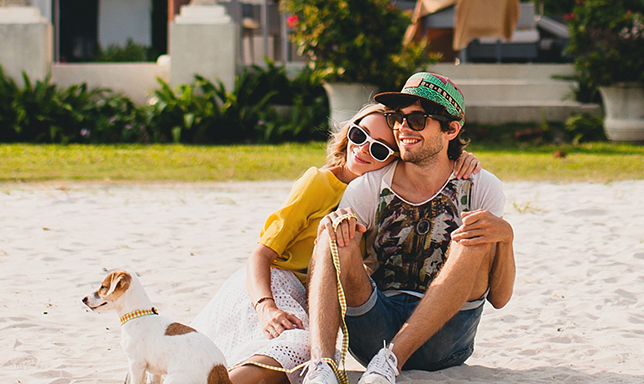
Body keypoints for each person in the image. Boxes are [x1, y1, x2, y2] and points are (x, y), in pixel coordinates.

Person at [192, 103, 481, 384]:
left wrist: (461, 159)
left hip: (307, 300)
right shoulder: (319, 183)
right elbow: (261, 253)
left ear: (394, 159)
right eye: (359, 135)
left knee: (287, 367)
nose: (363, 148)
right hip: (273, 285)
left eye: (379, 148)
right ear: (348, 134)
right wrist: (265, 305)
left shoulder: (379, 199)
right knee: (299, 346)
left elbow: (428, 155)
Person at [303, 73, 516, 384]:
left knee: (475, 235)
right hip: (375, 329)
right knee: (333, 232)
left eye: (417, 119)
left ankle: (394, 360)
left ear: (451, 129)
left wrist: (505, 237)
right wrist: (333, 231)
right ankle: (321, 366)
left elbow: (500, 298)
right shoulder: (369, 187)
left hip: (446, 337)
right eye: (397, 118)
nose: (402, 128)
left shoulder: (481, 187)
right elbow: (333, 261)